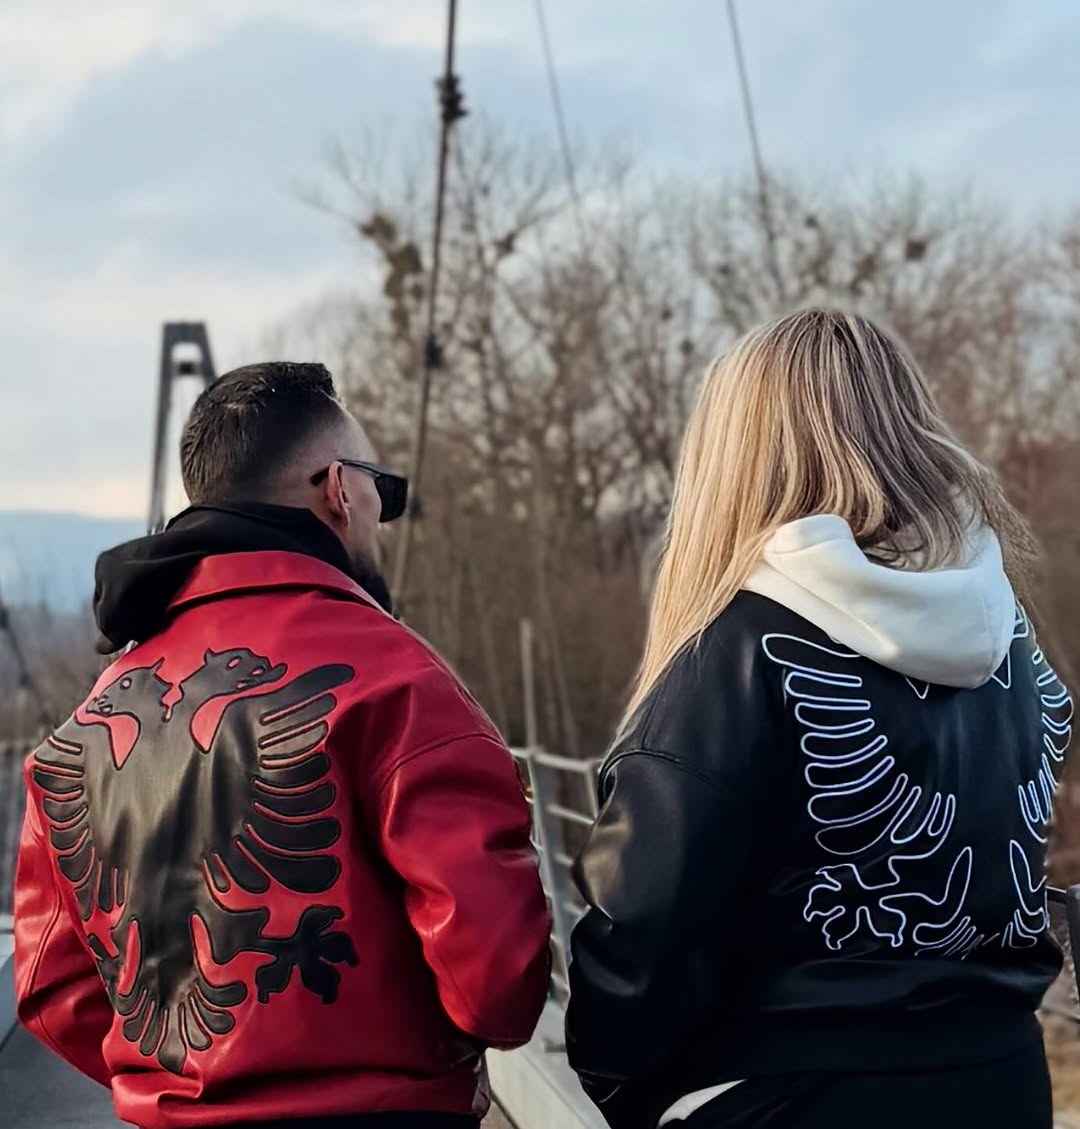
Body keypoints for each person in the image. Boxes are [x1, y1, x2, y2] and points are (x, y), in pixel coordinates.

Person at [564, 309, 1074, 1129]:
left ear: (738, 458)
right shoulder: (1009, 638)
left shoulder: (735, 649)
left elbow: (642, 937)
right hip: (1003, 1079)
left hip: (794, 1095)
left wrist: (642, 1095)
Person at [14, 362, 552, 1129]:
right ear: (338, 487)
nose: (379, 514)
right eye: (381, 491)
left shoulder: (82, 730)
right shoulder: (397, 680)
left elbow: (51, 986)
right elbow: (498, 984)